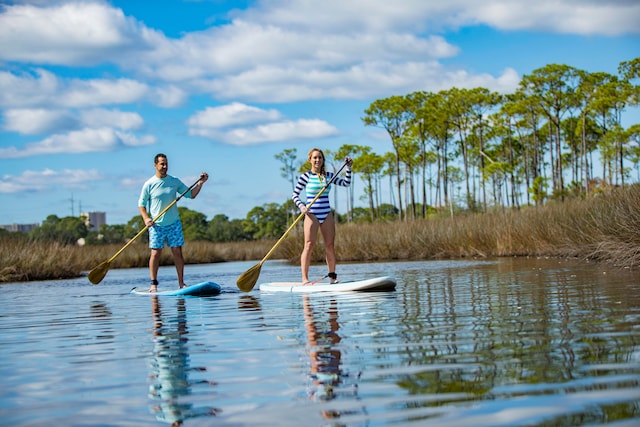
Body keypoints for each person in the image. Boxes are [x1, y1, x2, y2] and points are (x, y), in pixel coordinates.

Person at [138, 153, 208, 292]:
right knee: (155, 253)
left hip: (174, 223)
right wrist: (146, 218)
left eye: (166, 163)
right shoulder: (149, 184)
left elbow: (191, 195)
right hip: (156, 225)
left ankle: (181, 283)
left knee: (177, 252)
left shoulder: (174, 181)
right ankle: (153, 284)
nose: (165, 166)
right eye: (162, 164)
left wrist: (200, 183)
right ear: (155, 165)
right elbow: (141, 204)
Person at [292, 148, 352, 285]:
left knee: (330, 246)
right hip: (311, 214)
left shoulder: (329, 176)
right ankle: (304, 279)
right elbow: (294, 195)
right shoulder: (305, 177)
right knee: (308, 245)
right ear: (310, 160)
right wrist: (301, 206)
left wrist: (348, 168)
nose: (317, 160)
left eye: (320, 157)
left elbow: (346, 183)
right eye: (315, 158)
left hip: (326, 214)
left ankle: (332, 277)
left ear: (323, 160)